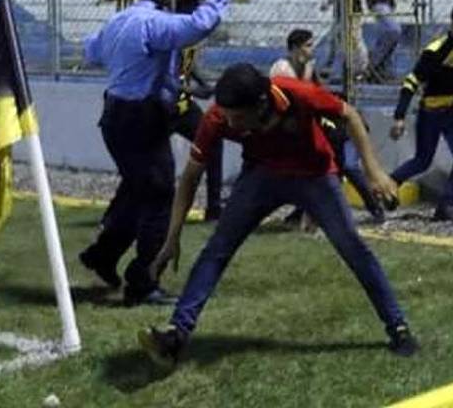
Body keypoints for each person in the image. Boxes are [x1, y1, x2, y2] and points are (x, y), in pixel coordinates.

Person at [138, 64, 417, 369]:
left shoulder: (298, 94)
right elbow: (191, 176)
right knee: (217, 249)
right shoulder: (218, 116)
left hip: (315, 175)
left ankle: (398, 327)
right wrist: (172, 237)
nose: (231, 123)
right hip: (262, 175)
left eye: (239, 118)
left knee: (353, 248)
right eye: (228, 115)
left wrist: (373, 171)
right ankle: (176, 335)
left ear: (262, 104)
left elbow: (349, 115)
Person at [78, 0, 240, 304]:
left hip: (115, 115)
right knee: (159, 195)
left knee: (139, 190)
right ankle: (144, 280)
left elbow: (90, 50)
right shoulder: (155, 23)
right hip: (142, 117)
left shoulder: (118, 21)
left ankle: (103, 255)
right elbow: (199, 25)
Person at [272, 29, 386, 227]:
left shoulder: (309, 70)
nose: (312, 49)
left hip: (337, 127)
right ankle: (304, 211)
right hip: (316, 127)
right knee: (312, 170)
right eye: (308, 45)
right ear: (296, 48)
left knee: (346, 166)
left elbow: (318, 97)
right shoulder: (282, 71)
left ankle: (375, 207)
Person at [388, 5, 453, 225]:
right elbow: (413, 81)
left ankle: (446, 205)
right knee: (423, 160)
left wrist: (440, 77)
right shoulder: (435, 48)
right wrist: (399, 116)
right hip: (429, 112)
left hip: (451, 111)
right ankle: (389, 184)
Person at [168, 35, 222, 221]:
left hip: (183, 108)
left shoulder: (188, 47)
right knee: (149, 158)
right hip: (160, 107)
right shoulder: (167, 41)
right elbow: (167, 81)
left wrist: (210, 87)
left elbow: (192, 74)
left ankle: (214, 207)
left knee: (213, 141)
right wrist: (192, 90)